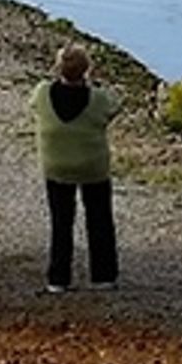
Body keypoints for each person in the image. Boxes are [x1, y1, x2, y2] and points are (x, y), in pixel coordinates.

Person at [33, 43, 116, 292]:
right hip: (93, 167)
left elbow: (33, 106)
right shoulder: (98, 99)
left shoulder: (42, 93)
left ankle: (58, 279)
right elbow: (113, 109)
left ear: (57, 68)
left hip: (57, 167)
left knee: (61, 222)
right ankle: (103, 277)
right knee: (100, 219)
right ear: (87, 70)